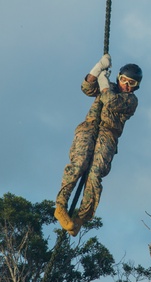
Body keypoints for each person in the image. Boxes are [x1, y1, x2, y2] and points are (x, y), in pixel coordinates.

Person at [55, 54, 141, 236]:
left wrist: (103, 82)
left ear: (136, 86)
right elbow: (86, 87)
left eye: (131, 83)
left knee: (95, 174)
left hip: (108, 135)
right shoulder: (107, 86)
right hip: (89, 128)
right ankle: (61, 205)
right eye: (124, 80)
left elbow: (111, 101)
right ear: (119, 77)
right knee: (79, 163)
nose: (126, 85)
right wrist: (97, 69)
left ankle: (81, 217)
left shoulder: (131, 101)